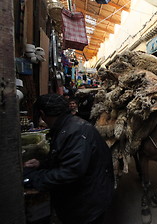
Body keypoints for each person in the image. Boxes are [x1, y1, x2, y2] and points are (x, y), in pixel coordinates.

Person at [24, 94, 114, 224]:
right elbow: (65, 156)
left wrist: (35, 179)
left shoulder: (75, 131)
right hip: (87, 194)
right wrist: (42, 164)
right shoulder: (66, 125)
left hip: (89, 202)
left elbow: (71, 171)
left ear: (42, 114)